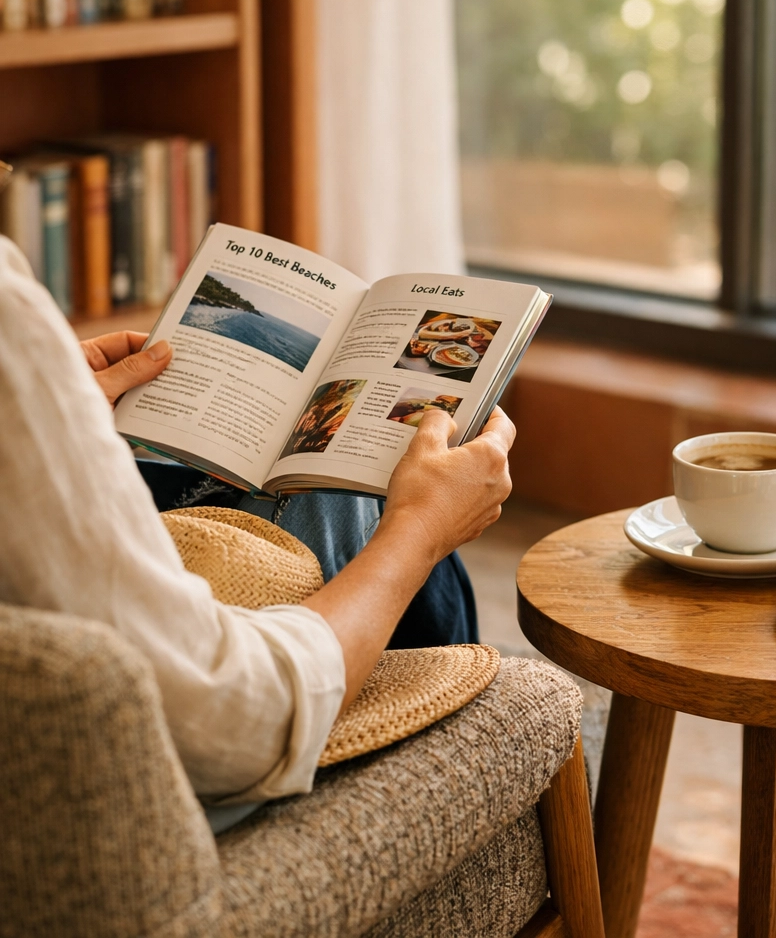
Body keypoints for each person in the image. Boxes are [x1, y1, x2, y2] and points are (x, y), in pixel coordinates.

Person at [0, 233, 515, 829]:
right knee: (347, 495)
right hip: (188, 789)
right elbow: (227, 718)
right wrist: (419, 531)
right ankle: (460, 726)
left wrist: (45, 410)